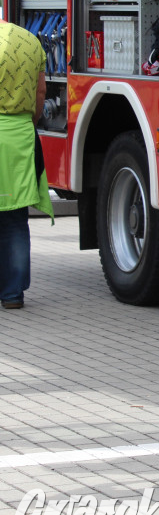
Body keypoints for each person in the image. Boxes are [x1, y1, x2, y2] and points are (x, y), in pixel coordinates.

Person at [0, 20, 54, 310]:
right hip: (20, 136)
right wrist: (27, 125)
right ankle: (12, 295)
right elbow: (40, 94)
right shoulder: (28, 40)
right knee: (15, 219)